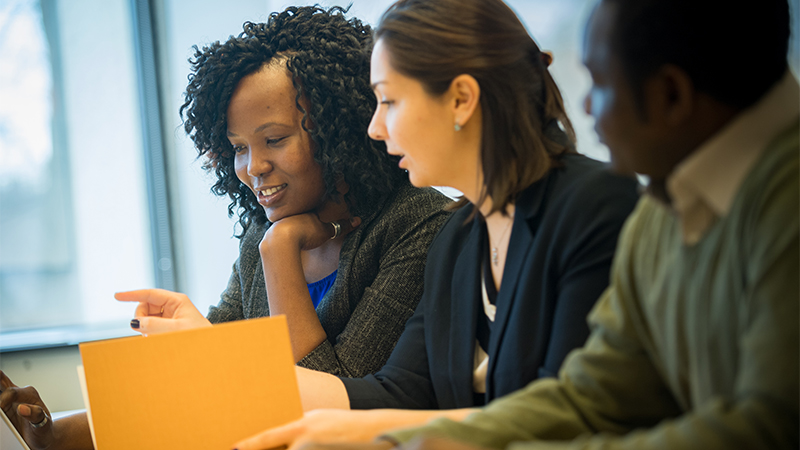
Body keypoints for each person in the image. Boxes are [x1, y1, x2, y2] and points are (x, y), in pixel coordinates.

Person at [294, 0, 799, 449]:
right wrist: (410, 440)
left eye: (601, 84)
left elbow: (768, 428)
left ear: (671, 93)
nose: (583, 106)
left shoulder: (613, 203)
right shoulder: (662, 213)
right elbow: (589, 396)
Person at [0, 6, 449, 450]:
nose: (253, 167)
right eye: (238, 148)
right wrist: (53, 434)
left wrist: (280, 257)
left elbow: (332, 411)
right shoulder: (259, 232)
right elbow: (214, 396)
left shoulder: (416, 225)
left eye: (274, 139)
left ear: (337, 130)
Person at [230, 0, 639, 448]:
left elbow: (570, 414)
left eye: (389, 100)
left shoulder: (592, 205)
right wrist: (211, 367)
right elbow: (400, 392)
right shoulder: (458, 239)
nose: (375, 127)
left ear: (462, 99)